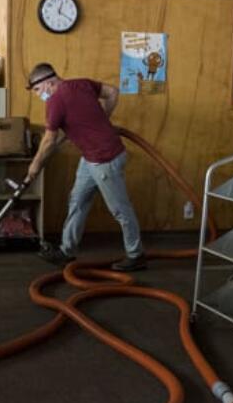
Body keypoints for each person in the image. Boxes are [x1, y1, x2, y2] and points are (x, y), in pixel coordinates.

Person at [24, 62, 145, 271]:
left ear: (48, 83)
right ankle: (67, 251)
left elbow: (49, 141)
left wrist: (34, 167)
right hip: (91, 158)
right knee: (78, 200)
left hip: (105, 159)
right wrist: (101, 120)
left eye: (37, 90)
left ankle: (136, 254)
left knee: (120, 209)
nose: (37, 95)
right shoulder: (81, 84)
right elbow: (112, 92)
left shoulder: (55, 102)